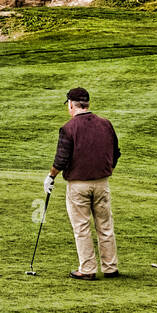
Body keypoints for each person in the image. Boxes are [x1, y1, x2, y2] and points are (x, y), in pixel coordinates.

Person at [44, 87, 120, 280]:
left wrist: (51, 176)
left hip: (78, 185)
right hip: (102, 182)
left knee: (82, 227)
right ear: (87, 104)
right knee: (105, 225)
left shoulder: (69, 128)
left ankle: (87, 269)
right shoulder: (106, 124)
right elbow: (115, 153)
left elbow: (61, 159)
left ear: (71, 104)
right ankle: (110, 267)